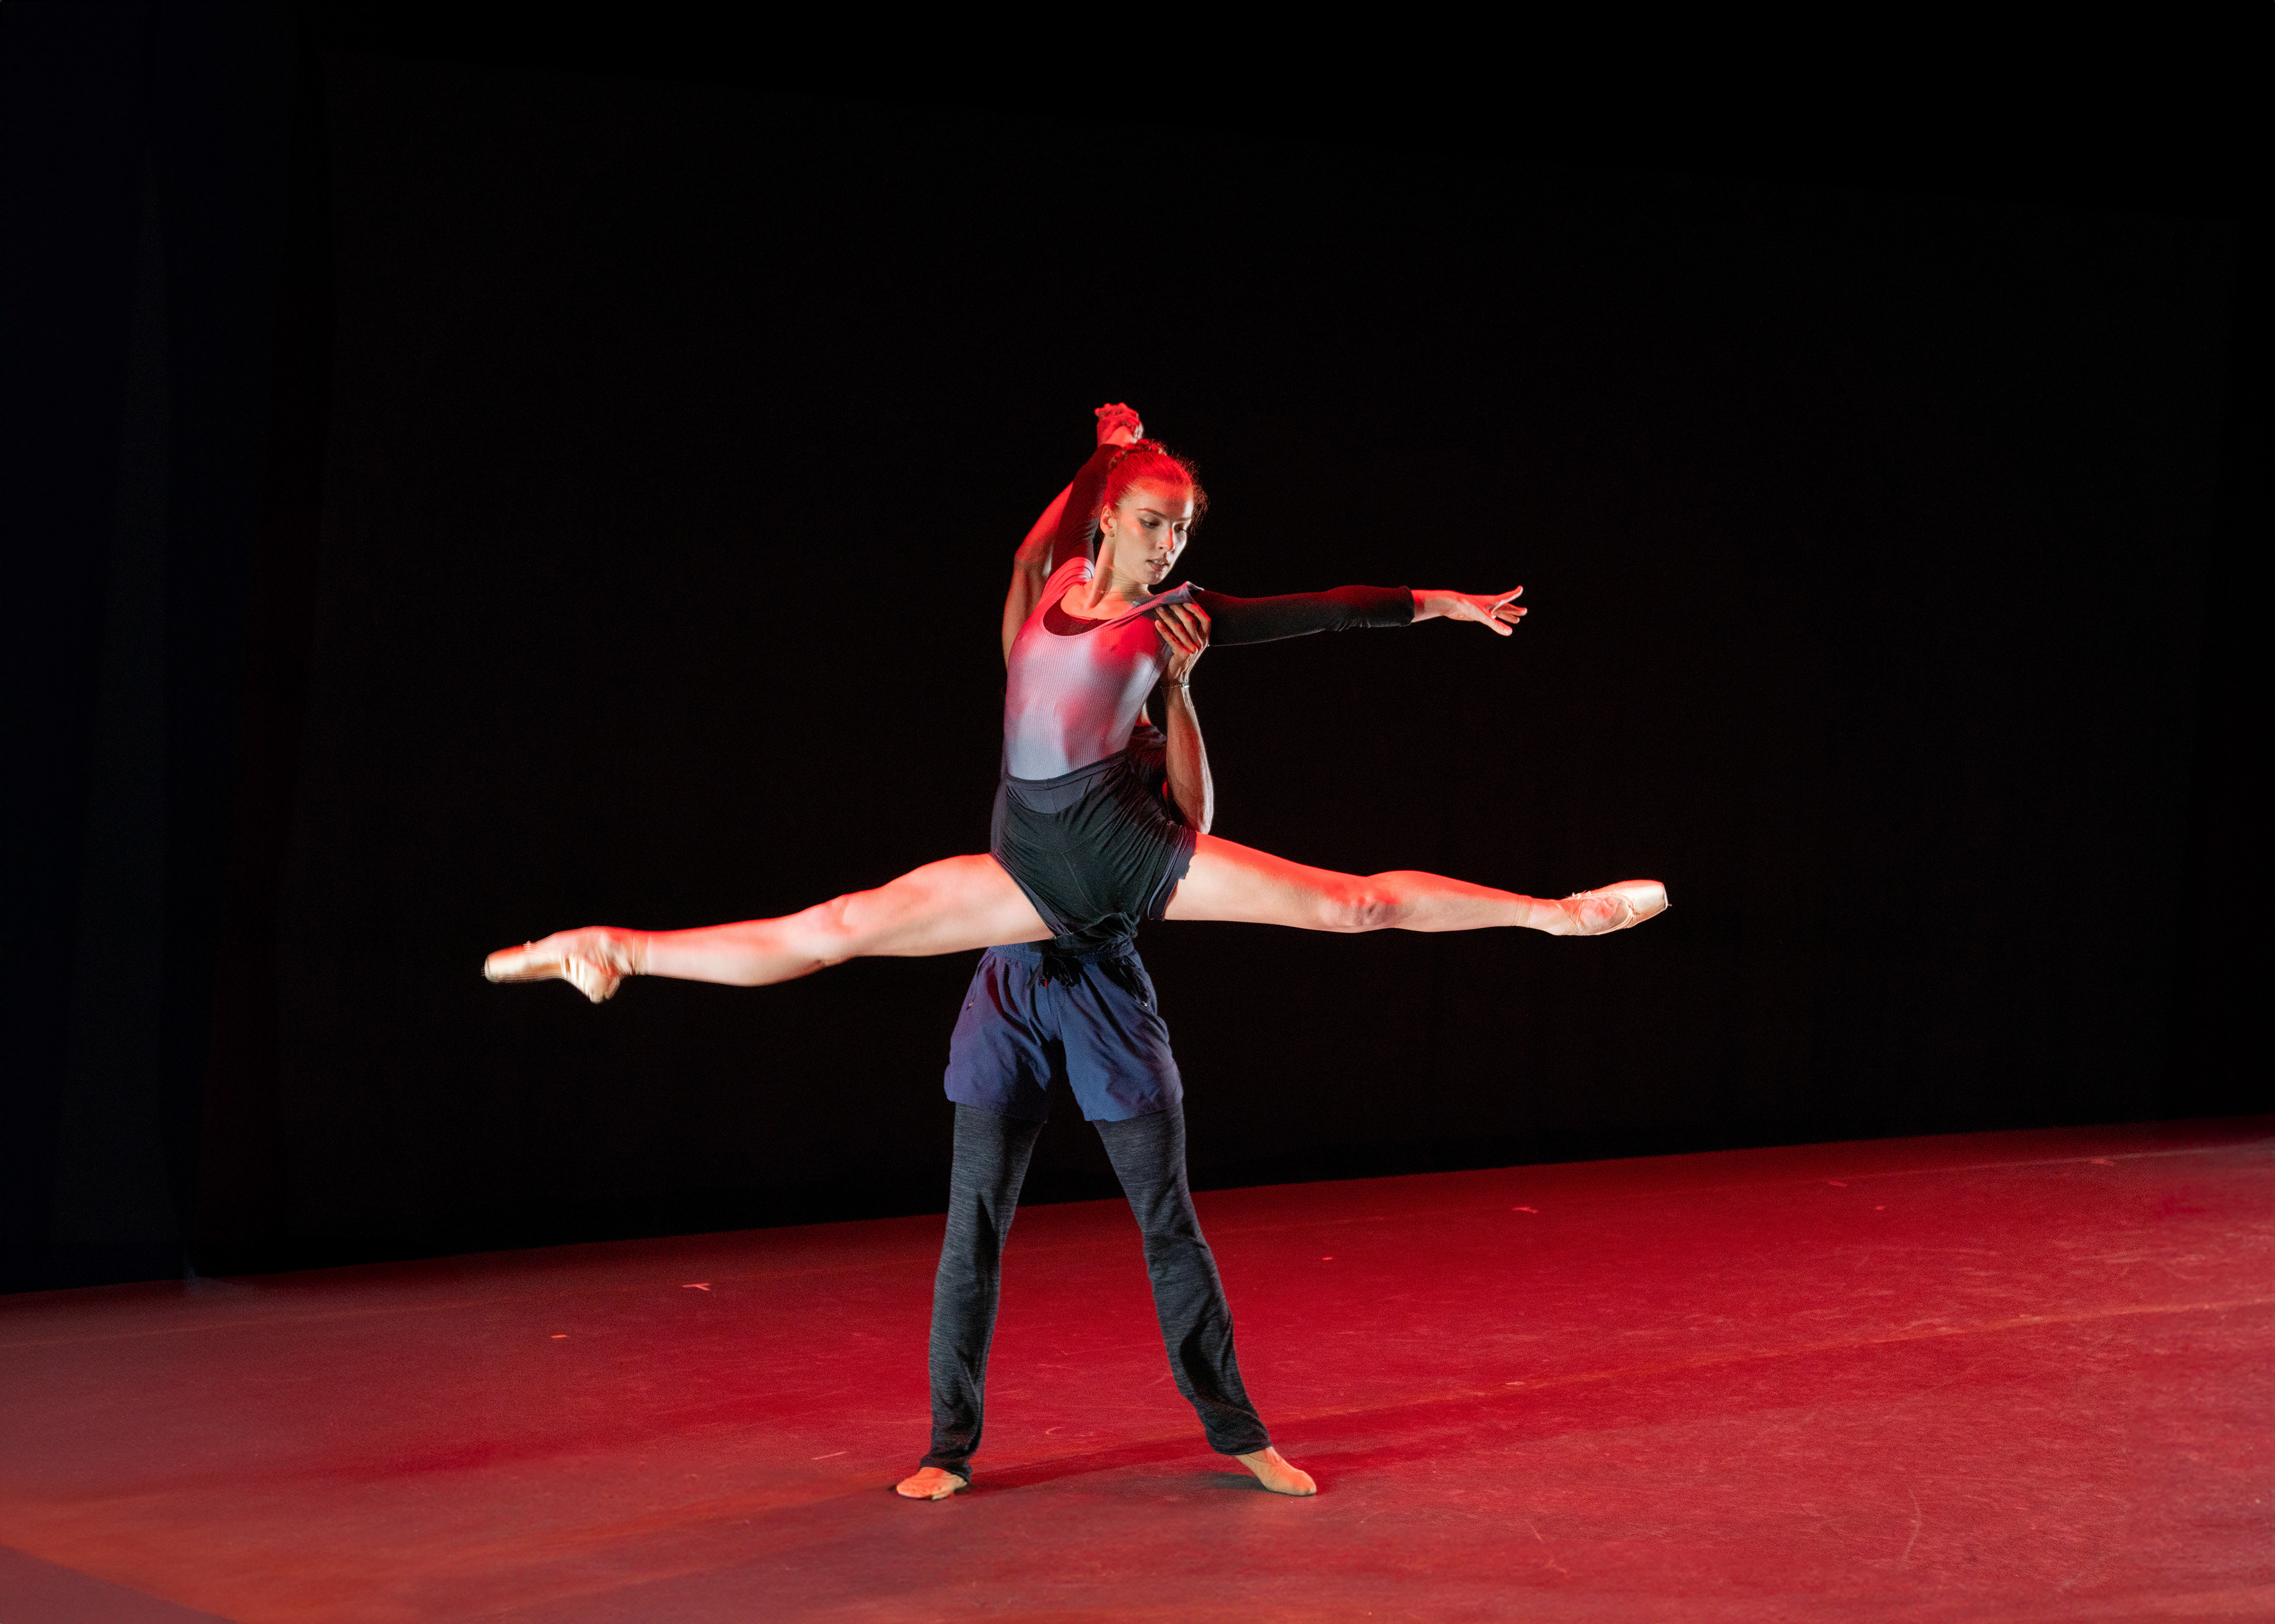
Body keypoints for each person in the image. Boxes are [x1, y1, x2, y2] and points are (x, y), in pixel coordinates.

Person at [485, 404, 1668, 1497]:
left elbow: (1320, 612)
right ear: (1111, 520)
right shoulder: (1050, 590)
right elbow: (1021, 557)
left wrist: (1434, 603)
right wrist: (1103, 454)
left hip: (1123, 862)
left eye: (1184, 529)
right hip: (1024, 884)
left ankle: (1550, 914)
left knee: (1349, 907)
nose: (1169, 545)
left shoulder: (1177, 620)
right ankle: (617, 951)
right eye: (1154, 523)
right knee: (837, 928)